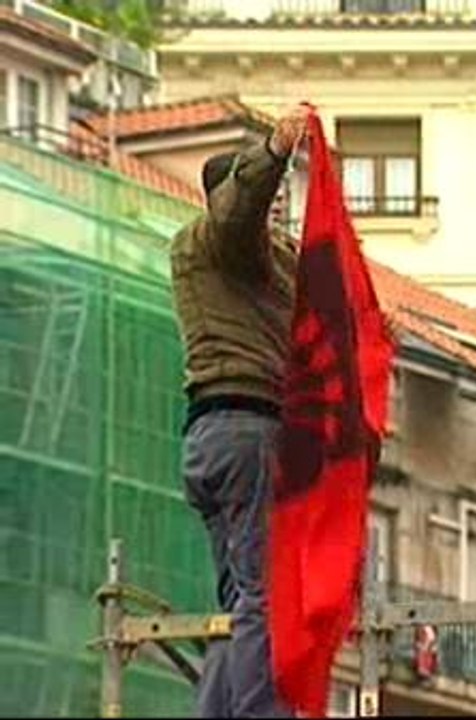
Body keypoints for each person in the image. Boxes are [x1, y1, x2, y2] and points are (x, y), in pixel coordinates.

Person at [169, 105, 310, 718]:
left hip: (213, 436)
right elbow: (236, 214)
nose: (278, 207)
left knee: (237, 597)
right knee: (263, 596)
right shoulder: (216, 240)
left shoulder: (254, 268)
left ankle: (217, 711)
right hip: (246, 430)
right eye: (270, 199)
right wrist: (273, 153)